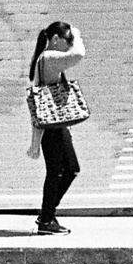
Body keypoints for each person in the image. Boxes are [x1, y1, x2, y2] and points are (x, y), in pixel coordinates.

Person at [26, 20, 85, 235]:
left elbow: (43, 107)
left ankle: (46, 215)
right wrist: (76, 33)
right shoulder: (49, 57)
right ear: (56, 40)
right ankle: (46, 219)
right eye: (67, 40)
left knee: (69, 170)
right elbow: (79, 54)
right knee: (58, 172)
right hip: (51, 130)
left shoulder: (47, 59)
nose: (69, 44)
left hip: (55, 127)